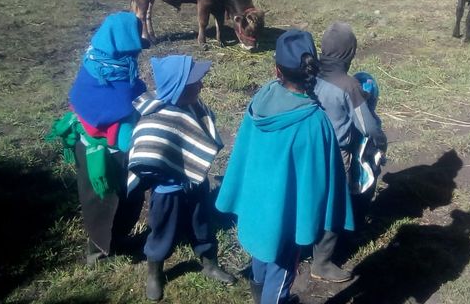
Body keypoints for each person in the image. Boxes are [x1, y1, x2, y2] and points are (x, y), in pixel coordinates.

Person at [215, 29, 354, 304]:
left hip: (258, 205)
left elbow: (245, 152)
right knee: (281, 270)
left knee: (261, 253)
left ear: (277, 70)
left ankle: (258, 292)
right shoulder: (315, 122)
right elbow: (321, 181)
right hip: (288, 216)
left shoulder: (261, 99)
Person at [126, 54, 236, 301]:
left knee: (202, 224)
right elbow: (147, 155)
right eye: (195, 82)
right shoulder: (154, 119)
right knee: (162, 231)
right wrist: (166, 169)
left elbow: (201, 136)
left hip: (195, 182)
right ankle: (154, 272)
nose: (201, 85)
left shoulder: (194, 106)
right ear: (178, 88)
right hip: (168, 192)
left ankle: (209, 263)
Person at [46, 11, 148, 265]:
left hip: (96, 145)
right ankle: (99, 251)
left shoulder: (95, 60)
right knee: (102, 201)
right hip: (102, 151)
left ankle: (116, 240)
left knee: (116, 197)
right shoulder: (112, 72)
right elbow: (120, 105)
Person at [311, 21, 388, 282]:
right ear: (349, 53)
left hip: (309, 149)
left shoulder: (309, 73)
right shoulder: (349, 85)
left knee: (313, 199)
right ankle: (321, 261)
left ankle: (303, 244)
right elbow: (367, 125)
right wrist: (381, 143)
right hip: (337, 152)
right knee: (335, 203)